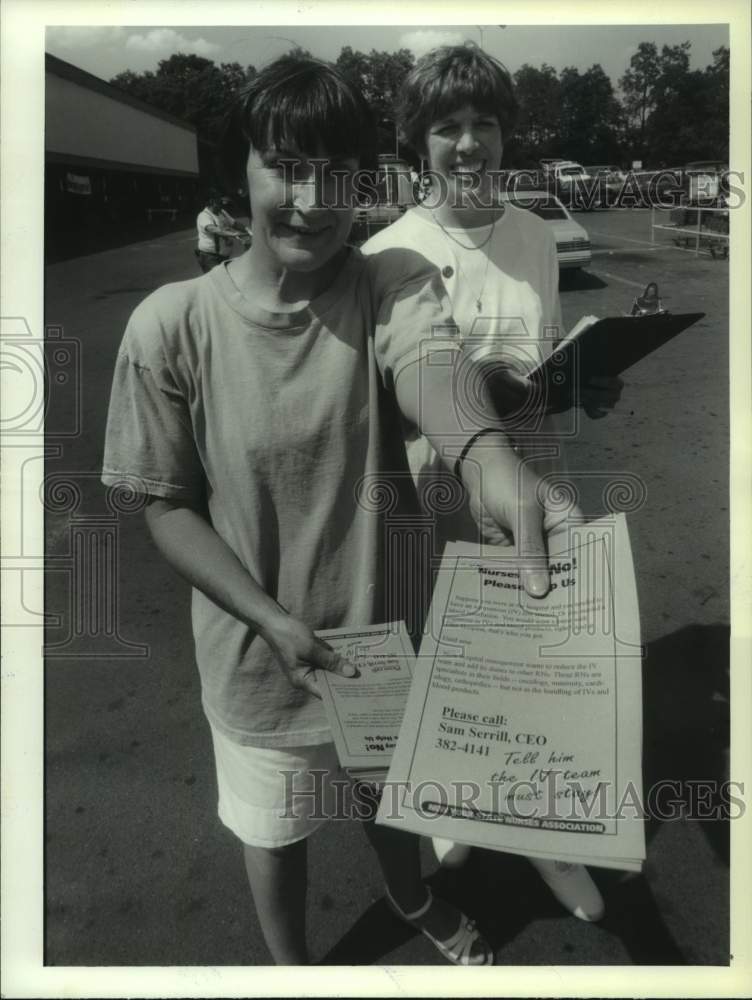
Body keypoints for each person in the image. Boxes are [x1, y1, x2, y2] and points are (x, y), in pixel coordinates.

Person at [101, 54, 570, 966]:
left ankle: (411, 901)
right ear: (238, 171)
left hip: (381, 639)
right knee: (275, 835)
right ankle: (292, 971)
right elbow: (166, 508)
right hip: (257, 662)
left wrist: (493, 460)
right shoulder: (170, 324)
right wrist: (271, 619)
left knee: (389, 799)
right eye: (285, 163)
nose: (313, 197)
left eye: (339, 172)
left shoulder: (389, 281)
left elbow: (437, 377)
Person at [362, 43, 622, 923]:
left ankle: (550, 842)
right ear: (417, 143)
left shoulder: (534, 234)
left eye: (485, 124)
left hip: (539, 470)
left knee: (544, 664)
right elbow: (388, 401)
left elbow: (543, 354)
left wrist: (589, 380)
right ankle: (460, 804)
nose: (470, 144)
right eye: (448, 128)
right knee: (460, 667)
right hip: (442, 495)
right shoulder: (388, 253)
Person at [195, 191, 249, 272]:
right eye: (219, 201)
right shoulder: (203, 216)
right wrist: (234, 234)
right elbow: (215, 230)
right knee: (218, 281)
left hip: (223, 256)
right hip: (210, 257)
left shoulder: (222, 212)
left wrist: (248, 230)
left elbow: (234, 224)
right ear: (212, 202)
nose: (222, 204)